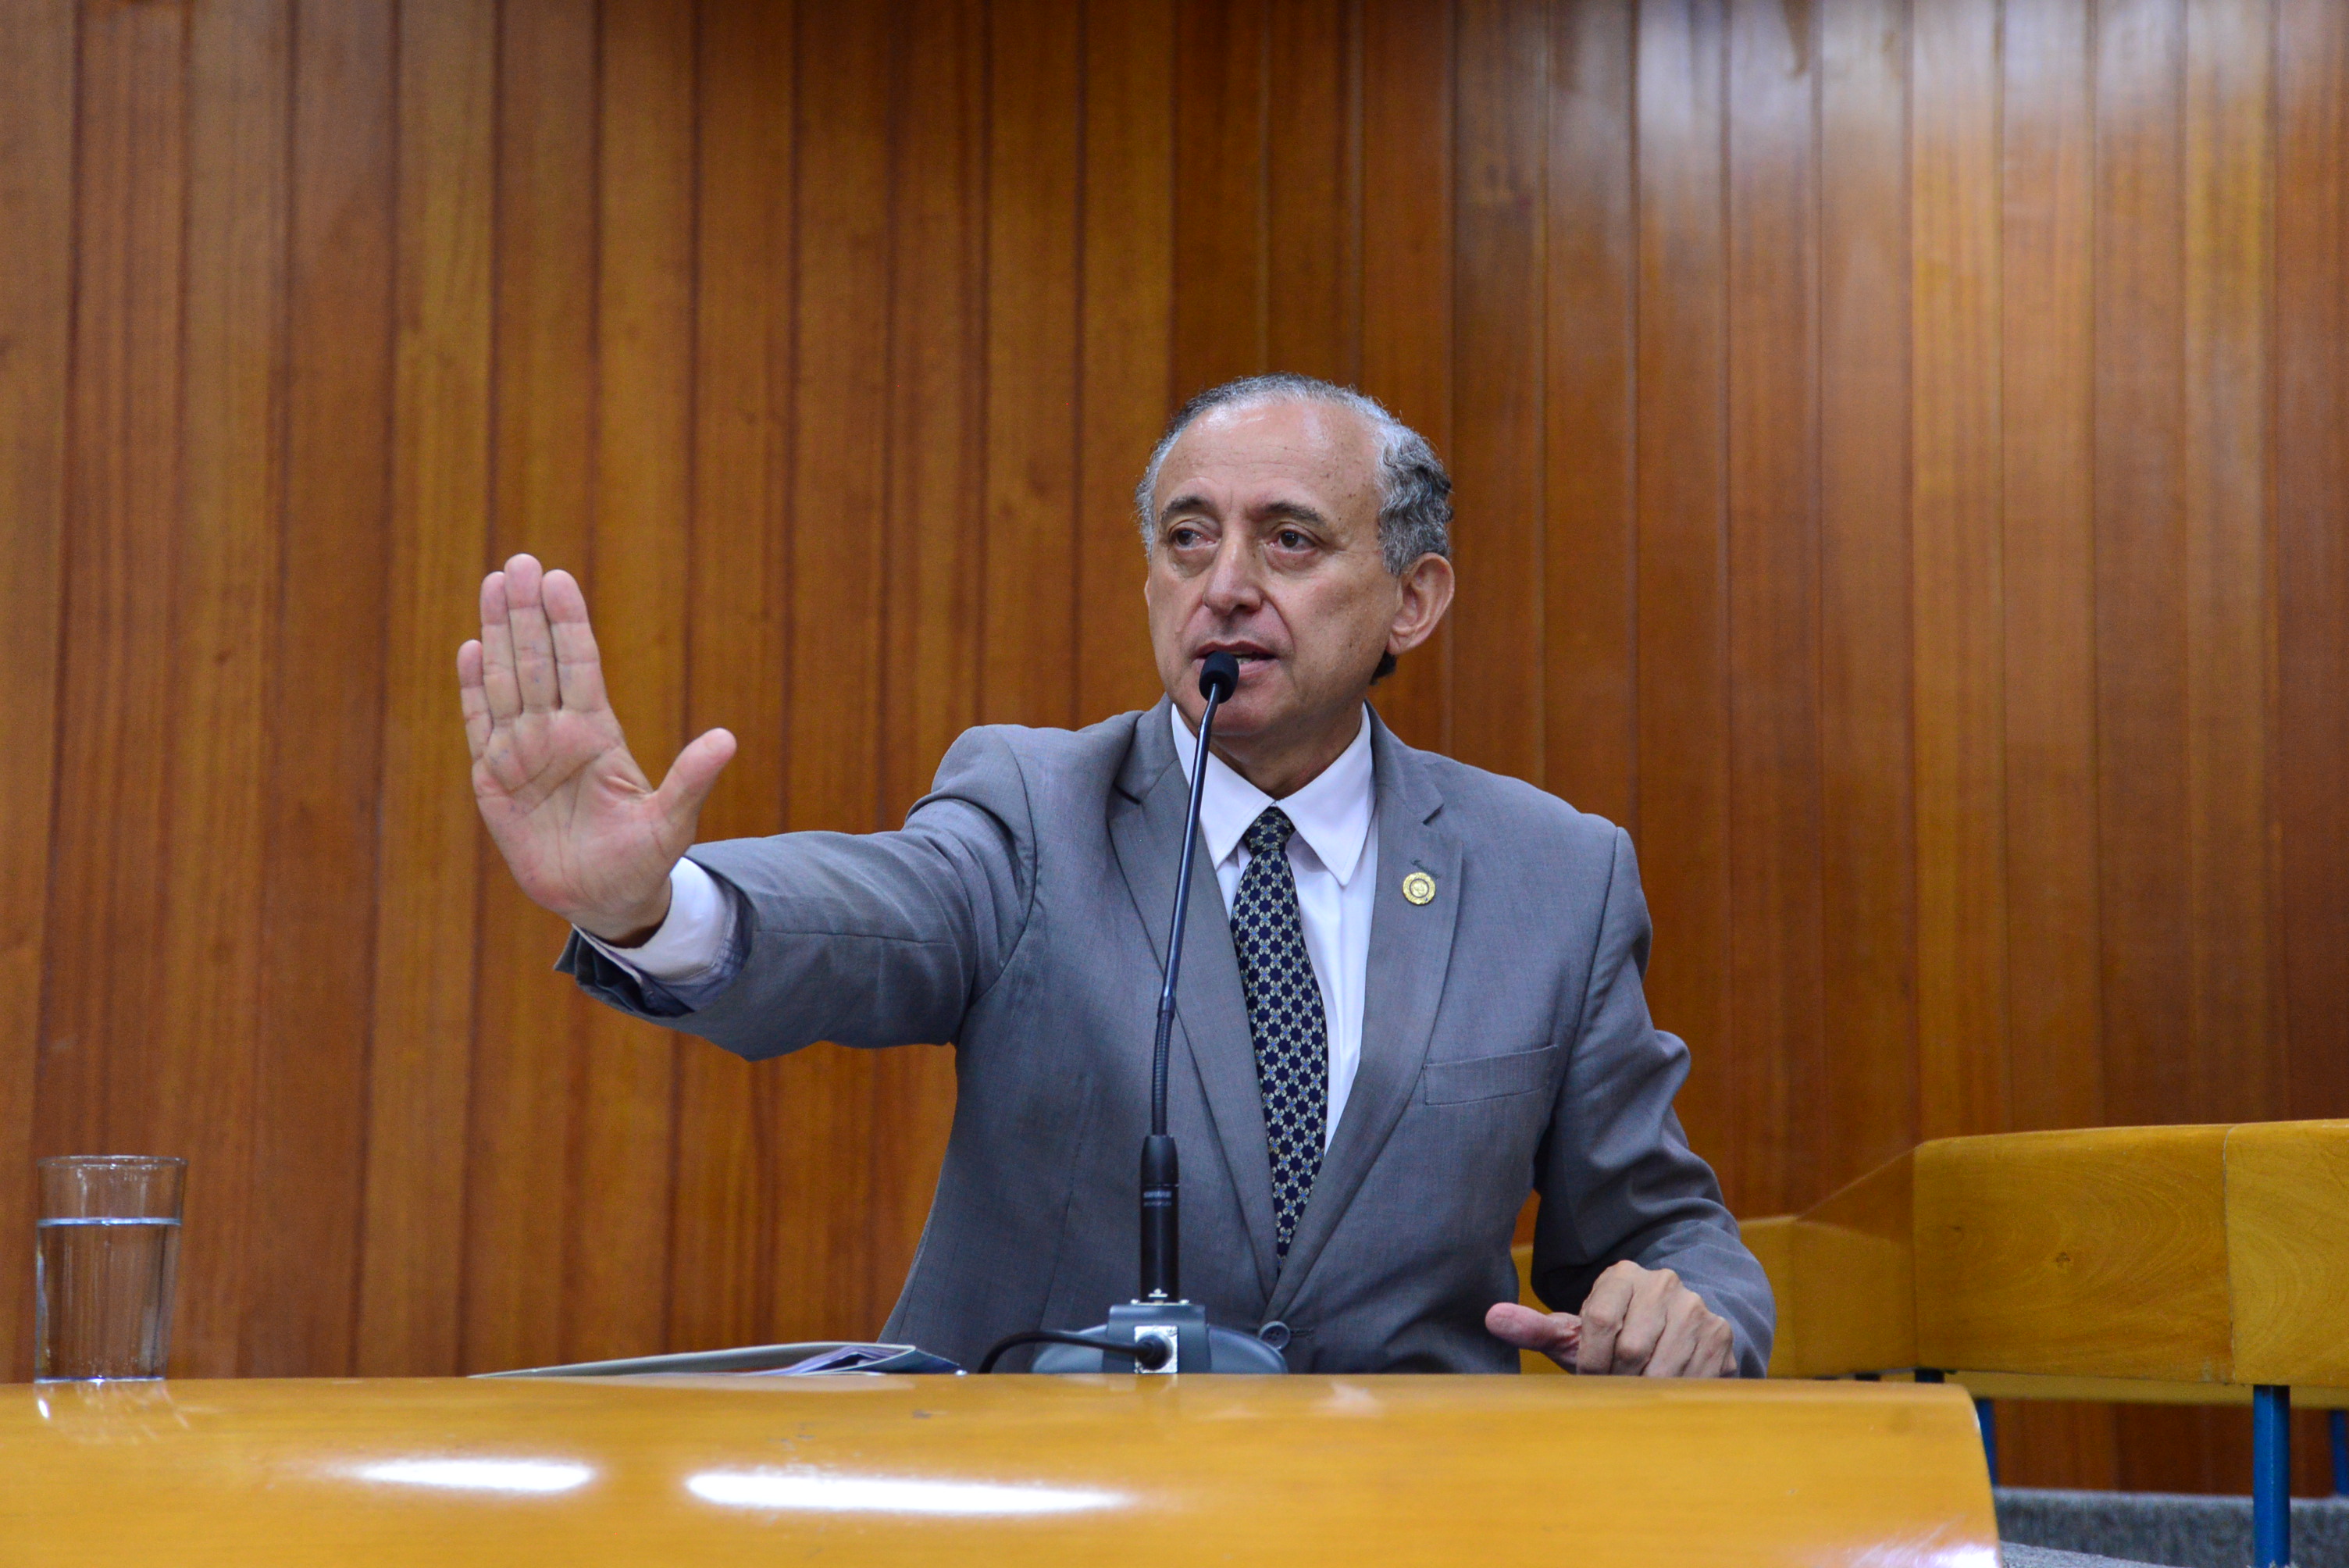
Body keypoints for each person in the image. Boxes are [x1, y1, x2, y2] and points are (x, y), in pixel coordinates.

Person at [458, 372, 1773, 1376]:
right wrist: (653, 906)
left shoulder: (1554, 875)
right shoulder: (1037, 808)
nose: (1227, 586)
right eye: (1188, 539)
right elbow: (877, 917)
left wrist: (1691, 1308)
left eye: (1291, 541)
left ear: (1412, 600)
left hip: (1400, 1515)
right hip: (1053, 1513)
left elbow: (1660, 1226)